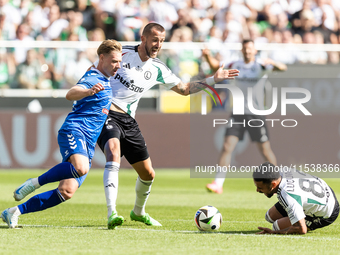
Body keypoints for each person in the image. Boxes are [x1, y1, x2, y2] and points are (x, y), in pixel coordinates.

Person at [96, 22, 239, 229]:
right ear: (143, 38)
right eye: (155, 40)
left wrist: (213, 79)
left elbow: (184, 89)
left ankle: (138, 212)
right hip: (106, 112)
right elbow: (97, 69)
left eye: (162, 41)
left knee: (148, 174)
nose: (158, 45)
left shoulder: (157, 68)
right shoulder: (122, 53)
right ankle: (112, 212)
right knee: (113, 151)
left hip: (128, 120)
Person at [0, 39, 122, 228]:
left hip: (88, 143)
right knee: (81, 168)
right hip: (75, 130)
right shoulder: (94, 77)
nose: (118, 65)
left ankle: (14, 212)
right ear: (102, 57)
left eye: (120, 61)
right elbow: (71, 93)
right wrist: (88, 91)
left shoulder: (105, 80)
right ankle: (34, 183)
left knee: (66, 191)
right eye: (114, 61)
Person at [204, 39, 287, 194]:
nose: (247, 51)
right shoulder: (235, 64)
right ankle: (218, 183)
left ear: (255, 51)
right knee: (227, 146)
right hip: (238, 113)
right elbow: (216, 66)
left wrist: (274, 63)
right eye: (245, 49)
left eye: (250, 49)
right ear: (242, 50)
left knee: (265, 150)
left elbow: (283, 68)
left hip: (256, 114)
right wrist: (207, 56)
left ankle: (278, 181)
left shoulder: (261, 65)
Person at [253, 162, 339, 235]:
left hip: (328, 211)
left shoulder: (287, 195)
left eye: (260, 188)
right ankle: (296, 214)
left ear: (274, 184)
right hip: (325, 190)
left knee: (276, 227)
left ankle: (300, 215)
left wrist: (274, 232)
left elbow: (301, 229)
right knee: (270, 216)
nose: (257, 190)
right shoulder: (282, 171)